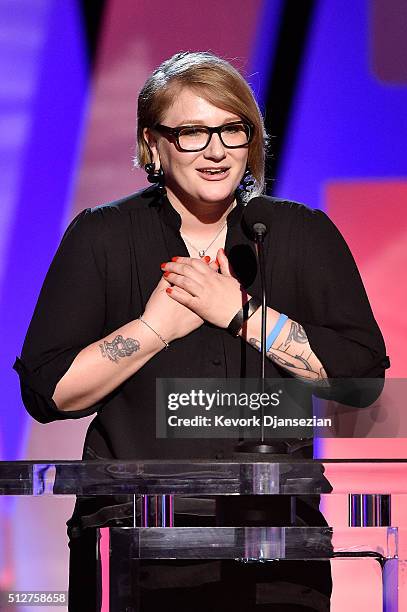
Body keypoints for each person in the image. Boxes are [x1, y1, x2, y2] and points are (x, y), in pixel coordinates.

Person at [14, 51, 389, 611]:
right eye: (192, 133)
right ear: (153, 145)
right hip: (136, 541)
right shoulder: (104, 237)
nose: (216, 151)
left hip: (278, 545)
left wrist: (242, 315)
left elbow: (361, 379)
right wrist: (153, 328)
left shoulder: (300, 233)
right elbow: (47, 392)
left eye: (232, 130)